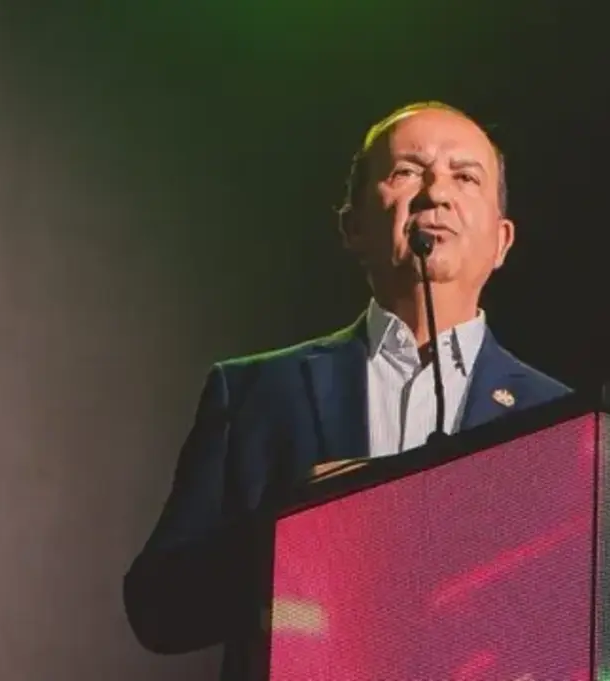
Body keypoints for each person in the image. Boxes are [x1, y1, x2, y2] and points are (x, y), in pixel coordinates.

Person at [122, 101, 571, 679]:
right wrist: (292, 535)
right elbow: (159, 607)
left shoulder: (559, 420)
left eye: (465, 177)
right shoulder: (255, 392)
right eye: (407, 172)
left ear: (502, 241)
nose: (436, 194)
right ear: (353, 226)